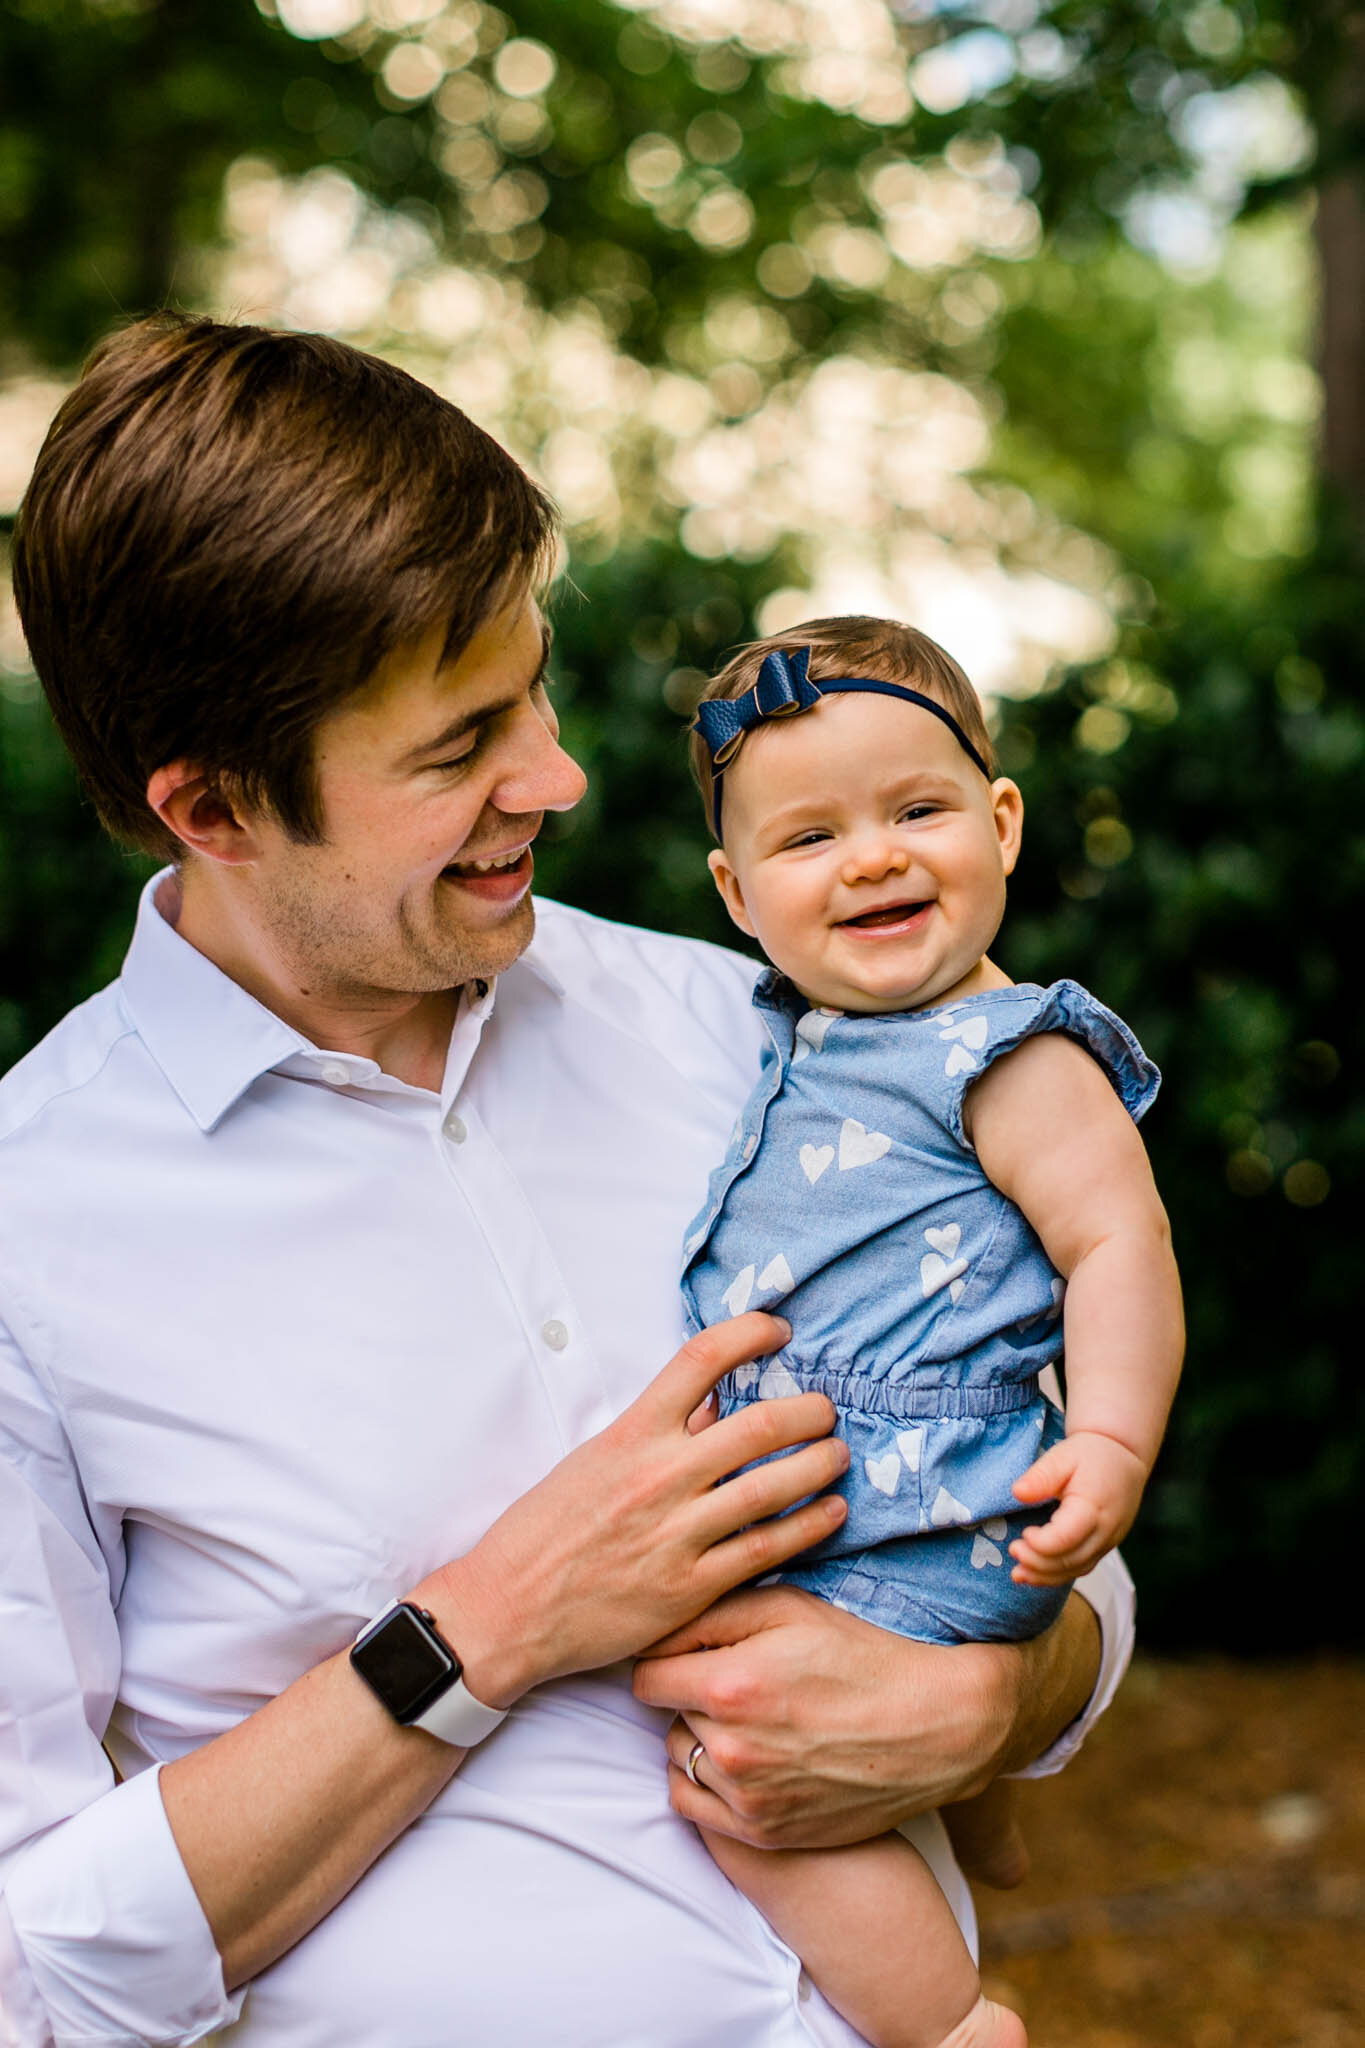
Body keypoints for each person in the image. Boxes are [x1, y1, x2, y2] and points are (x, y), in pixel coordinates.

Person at [0, 316, 1133, 2048]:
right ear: (214, 809)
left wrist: (989, 1695)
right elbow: (29, 1965)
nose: (557, 776)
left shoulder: (752, 1029)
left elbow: (1037, 1512)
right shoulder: (35, 1225)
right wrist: (491, 1623)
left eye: (528, 686)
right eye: (458, 750)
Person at [679, 622, 1183, 2048]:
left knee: (749, 1802)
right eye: (809, 837)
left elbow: (1114, 1244)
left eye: (916, 810)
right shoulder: (802, 1024)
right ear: (735, 892)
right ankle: (975, 1815)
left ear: (1001, 821)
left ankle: (947, 2021)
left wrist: (1108, 1440)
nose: (872, 858)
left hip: (914, 1506)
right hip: (849, 1480)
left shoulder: (1006, 1052)